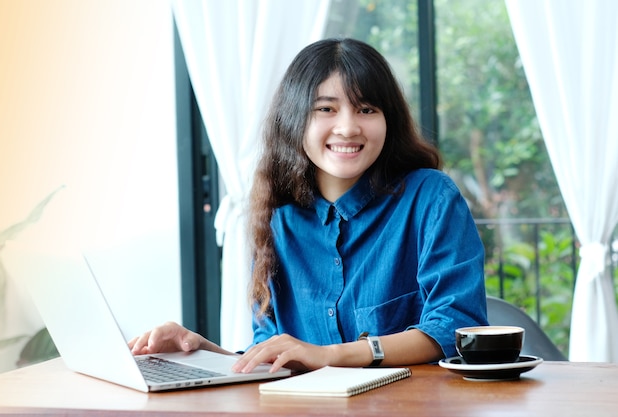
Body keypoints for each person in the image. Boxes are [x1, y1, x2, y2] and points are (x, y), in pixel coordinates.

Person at [129, 38, 488, 373]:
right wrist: (200, 350)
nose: (347, 128)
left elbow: (457, 325)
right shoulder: (276, 218)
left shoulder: (430, 198)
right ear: (295, 118)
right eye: (326, 109)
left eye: (366, 109)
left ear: (387, 120)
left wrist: (331, 356)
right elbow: (274, 353)